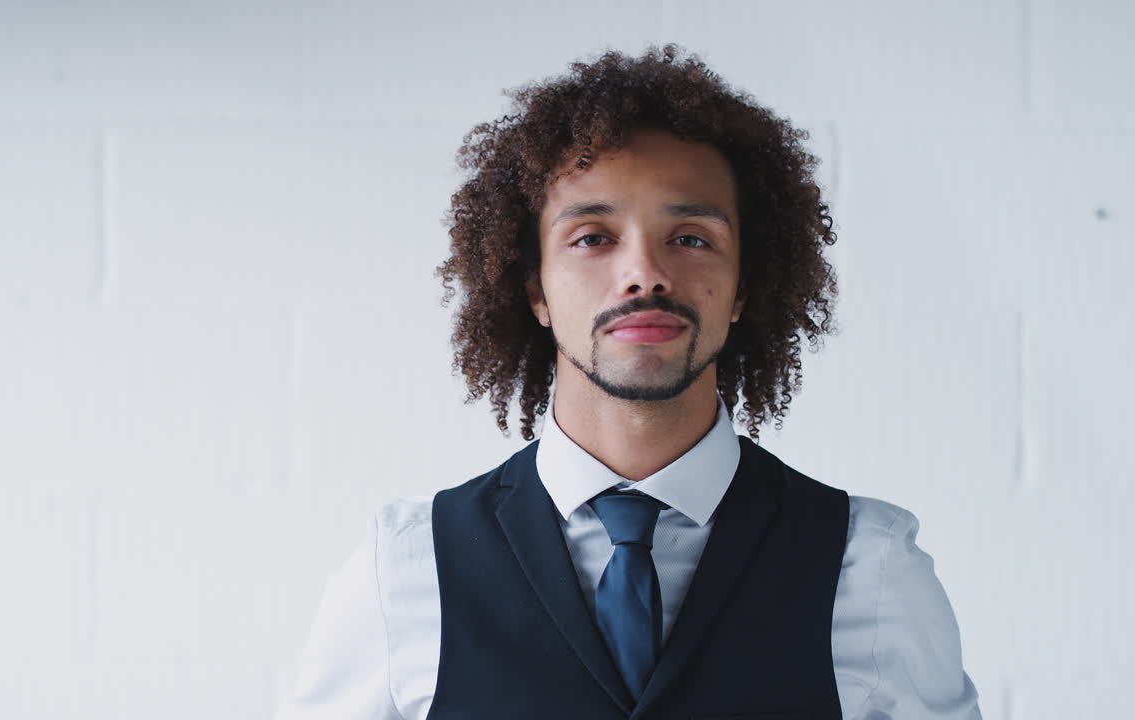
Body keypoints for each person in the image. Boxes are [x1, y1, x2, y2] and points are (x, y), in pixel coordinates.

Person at [278, 44, 981, 719]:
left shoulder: (871, 567)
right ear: (535, 290)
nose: (644, 273)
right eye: (592, 237)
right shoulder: (404, 569)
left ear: (741, 289)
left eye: (691, 238)